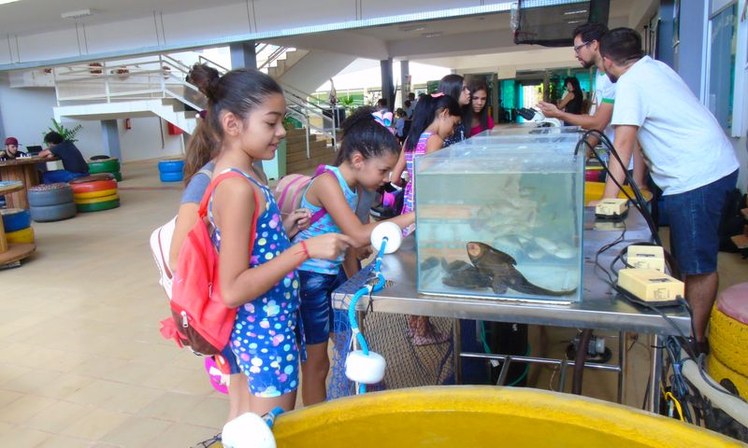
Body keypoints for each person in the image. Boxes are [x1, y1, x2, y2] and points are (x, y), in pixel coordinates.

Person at [197, 66, 352, 416]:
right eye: (271, 123)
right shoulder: (237, 187)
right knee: (270, 433)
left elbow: (249, 253)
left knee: (248, 430)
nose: (281, 132)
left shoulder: (246, 174)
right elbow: (234, 288)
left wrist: (282, 235)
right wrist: (305, 250)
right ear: (233, 124)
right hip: (264, 335)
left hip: (261, 329)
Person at [597, 27, 740, 353]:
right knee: (684, 251)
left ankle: (693, 342)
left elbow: (622, 143)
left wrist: (607, 202)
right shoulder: (655, 67)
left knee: (698, 265)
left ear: (607, 60)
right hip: (714, 167)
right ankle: (686, 317)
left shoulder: (630, 83)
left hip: (696, 178)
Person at [292, 106, 416, 406]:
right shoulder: (327, 183)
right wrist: (416, 215)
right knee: (317, 363)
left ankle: (351, 405)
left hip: (331, 276)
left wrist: (354, 286)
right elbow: (358, 235)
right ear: (358, 160)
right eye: (383, 170)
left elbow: (348, 245)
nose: (387, 178)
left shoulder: (357, 189)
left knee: (351, 344)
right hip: (309, 279)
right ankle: (316, 424)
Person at [536, 22, 646, 187]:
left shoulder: (620, 79)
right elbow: (599, 126)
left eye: (578, 48)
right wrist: (583, 156)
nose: (576, 54)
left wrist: (558, 114)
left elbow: (599, 122)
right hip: (617, 161)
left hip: (628, 165)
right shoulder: (601, 75)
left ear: (594, 44)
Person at [391, 93, 462, 346]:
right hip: (426, 213)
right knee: (428, 273)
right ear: (443, 114)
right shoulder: (434, 141)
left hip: (408, 213)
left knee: (414, 274)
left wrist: (410, 178)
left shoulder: (411, 139)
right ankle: (422, 331)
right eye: (453, 123)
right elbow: (433, 182)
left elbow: (395, 178)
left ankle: (416, 327)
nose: (452, 130)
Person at [438, 74, 471, 146]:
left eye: (467, 88)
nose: (468, 92)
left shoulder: (465, 114)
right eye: (463, 89)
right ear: (452, 91)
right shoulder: (441, 119)